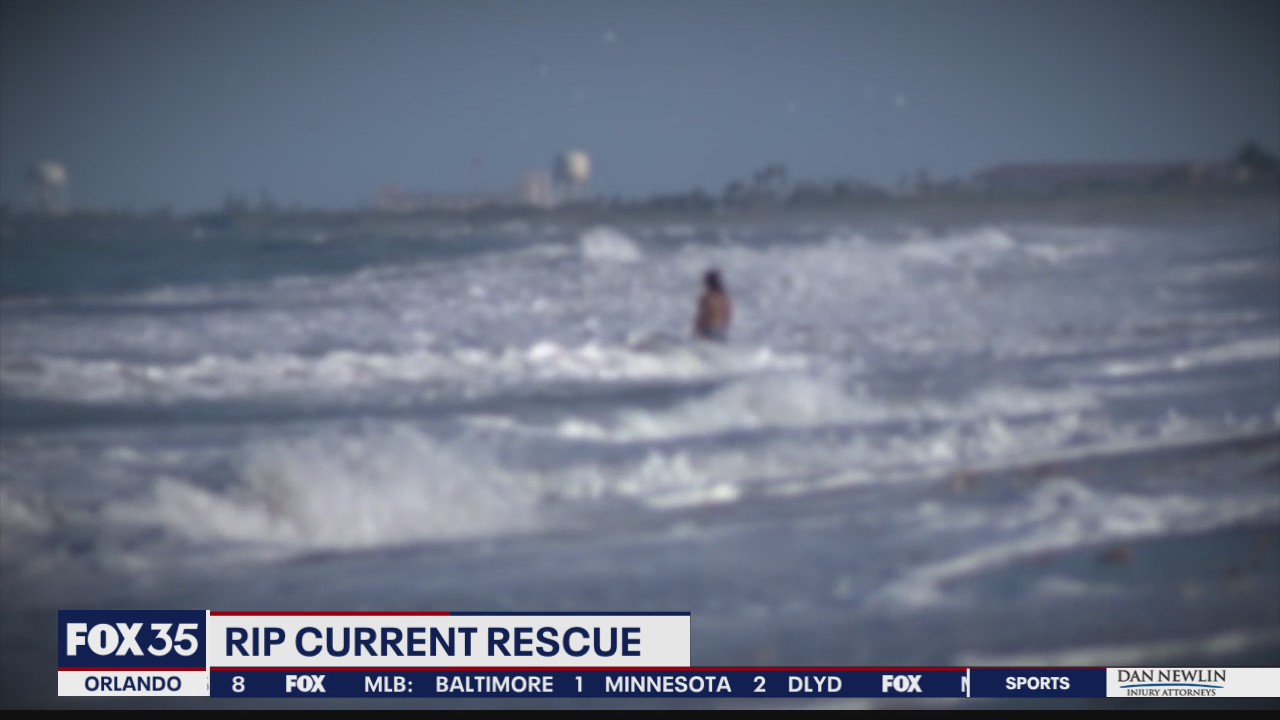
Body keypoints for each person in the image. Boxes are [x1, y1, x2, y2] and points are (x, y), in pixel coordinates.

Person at [693, 269, 732, 341]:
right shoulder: (723, 297)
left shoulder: (707, 297)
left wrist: (697, 330)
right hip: (721, 328)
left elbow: (703, 314)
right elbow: (728, 313)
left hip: (709, 329)